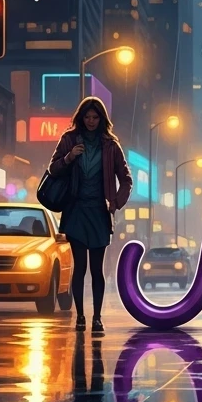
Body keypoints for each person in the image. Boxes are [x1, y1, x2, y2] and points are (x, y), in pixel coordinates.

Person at [48, 97, 132, 335]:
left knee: (97, 268)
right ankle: (81, 317)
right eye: (87, 117)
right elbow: (52, 169)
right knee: (79, 267)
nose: (91, 121)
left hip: (99, 211)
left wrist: (115, 202)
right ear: (81, 118)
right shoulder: (69, 140)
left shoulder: (110, 146)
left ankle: (97, 317)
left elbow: (126, 179)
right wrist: (69, 157)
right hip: (75, 210)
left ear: (101, 119)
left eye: (95, 117)